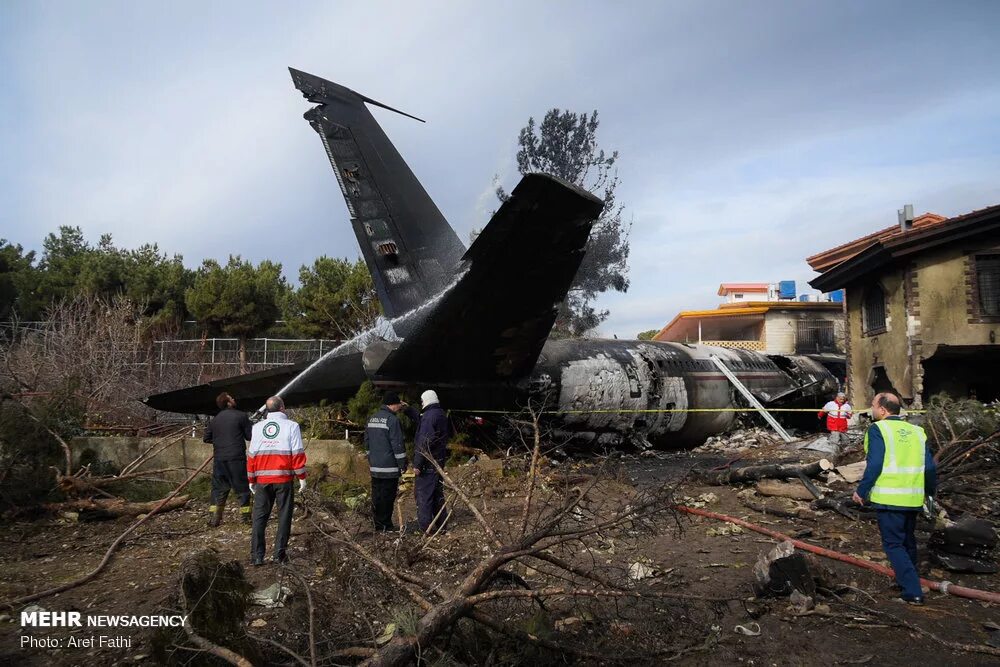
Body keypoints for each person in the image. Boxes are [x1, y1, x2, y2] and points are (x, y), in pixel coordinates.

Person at [852, 392, 936, 604]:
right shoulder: (917, 431)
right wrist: (930, 492)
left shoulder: (878, 429)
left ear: (882, 409)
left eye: (873, 405)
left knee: (893, 545)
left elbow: (875, 463)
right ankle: (907, 580)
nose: (871, 409)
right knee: (908, 542)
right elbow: (930, 467)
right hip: (913, 497)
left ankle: (912, 591)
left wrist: (861, 491)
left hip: (890, 498)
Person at [247, 396, 307, 565]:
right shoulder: (292, 426)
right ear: (283, 408)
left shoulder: (257, 427)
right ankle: (278, 555)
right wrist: (302, 477)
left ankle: (257, 556)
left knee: (259, 517)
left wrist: (251, 478)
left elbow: (251, 456)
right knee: (284, 516)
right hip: (283, 479)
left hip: (262, 480)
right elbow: (297, 453)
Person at [203, 392, 253, 527]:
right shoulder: (241, 416)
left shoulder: (215, 420)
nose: (234, 398)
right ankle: (246, 518)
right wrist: (251, 424)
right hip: (236, 459)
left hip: (219, 460)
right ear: (228, 402)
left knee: (218, 489)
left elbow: (206, 438)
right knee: (242, 489)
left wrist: (221, 441)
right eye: (232, 397)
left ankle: (215, 518)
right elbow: (249, 436)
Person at [364, 392, 409, 532]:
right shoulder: (392, 420)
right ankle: (385, 526)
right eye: (398, 405)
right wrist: (403, 464)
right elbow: (398, 445)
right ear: (392, 404)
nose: (399, 408)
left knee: (376, 496)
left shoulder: (372, 418)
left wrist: (371, 459)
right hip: (389, 468)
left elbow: (366, 442)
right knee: (387, 497)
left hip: (375, 467)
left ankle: (377, 524)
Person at [411, 390, 450, 533]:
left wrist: (417, 463)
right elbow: (424, 423)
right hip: (438, 461)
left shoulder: (428, 417)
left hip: (428, 462)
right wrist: (409, 410)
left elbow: (424, 441)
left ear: (425, 400)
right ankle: (442, 525)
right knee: (437, 494)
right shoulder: (439, 414)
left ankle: (426, 529)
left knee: (424, 496)